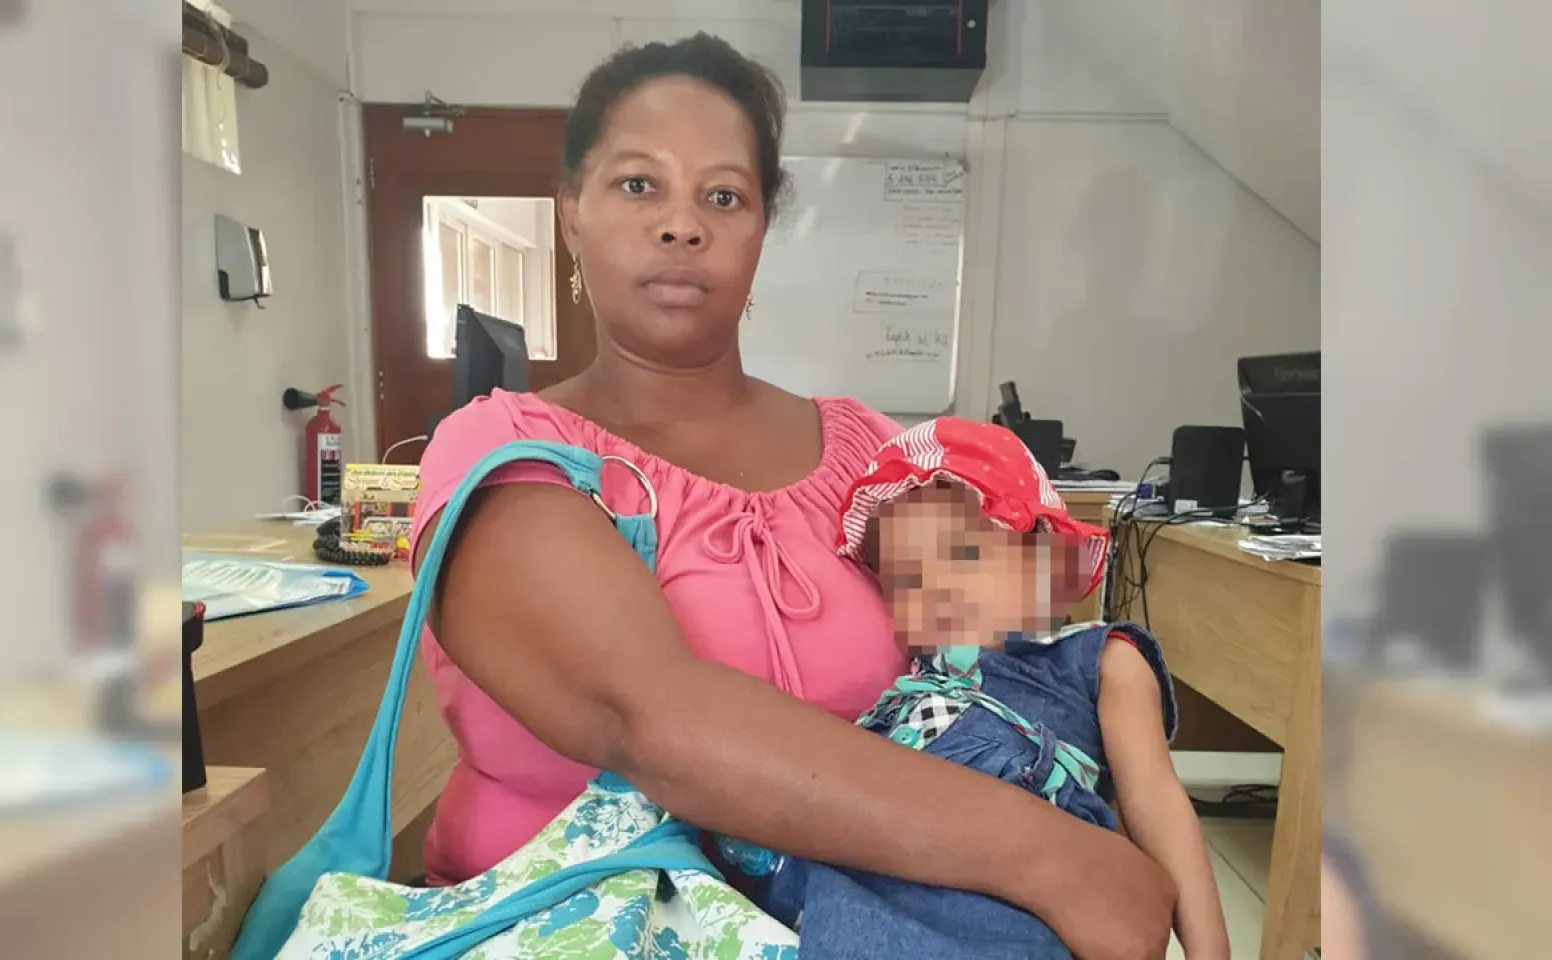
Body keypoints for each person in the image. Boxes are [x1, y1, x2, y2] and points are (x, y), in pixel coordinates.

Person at [412, 32, 1175, 960]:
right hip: (568, 927)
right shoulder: (501, 450)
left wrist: (1107, 685)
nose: (681, 225)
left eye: (722, 195)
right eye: (638, 184)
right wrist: (1050, 856)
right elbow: (643, 716)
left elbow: (1001, 659)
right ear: (571, 212)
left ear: (763, 226)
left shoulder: (878, 457)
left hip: (878, 927)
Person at [724, 418, 1229, 959]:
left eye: (963, 554)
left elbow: (1155, 800)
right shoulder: (910, 686)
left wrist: (1209, 952)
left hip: (1000, 895)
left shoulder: (1101, 658)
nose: (936, 587)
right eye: (907, 581)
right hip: (862, 858)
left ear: (1041, 561)